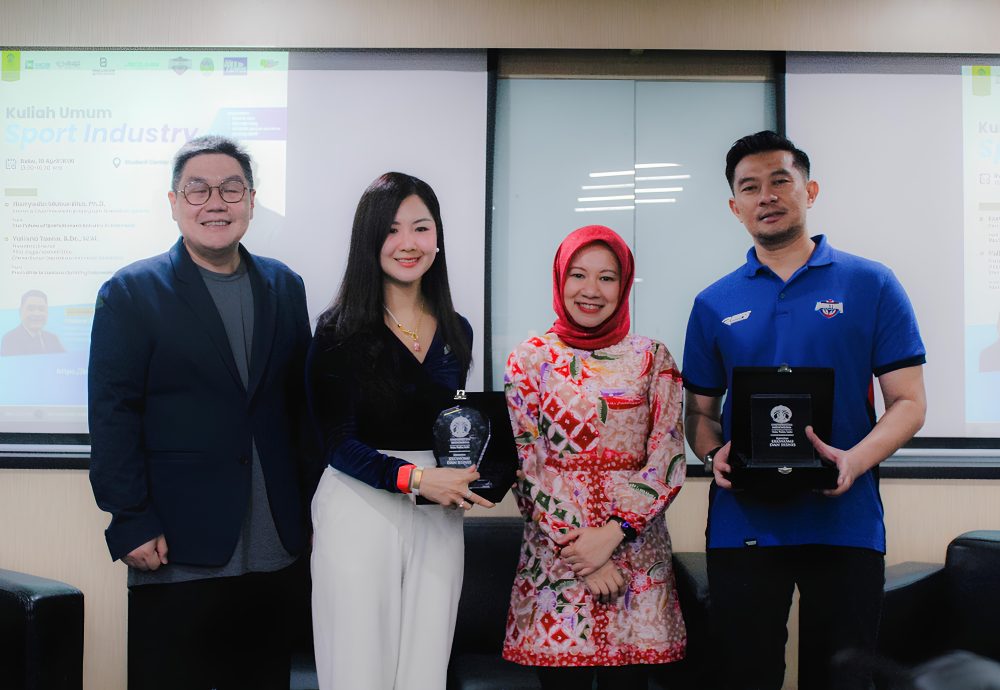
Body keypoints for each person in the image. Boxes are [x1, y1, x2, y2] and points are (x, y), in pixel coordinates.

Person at [682, 131, 927, 690]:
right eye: (750, 187)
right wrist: (711, 452)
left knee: (842, 678)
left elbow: (909, 403)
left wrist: (854, 460)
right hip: (743, 525)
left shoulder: (872, 284)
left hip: (845, 523)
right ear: (734, 206)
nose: (765, 196)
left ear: (809, 190)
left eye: (779, 181)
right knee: (745, 677)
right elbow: (699, 413)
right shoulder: (714, 302)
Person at [88, 135, 313, 690]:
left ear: (252, 201)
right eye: (199, 189)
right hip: (175, 547)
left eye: (232, 188)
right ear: (173, 201)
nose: (217, 202)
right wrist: (130, 519)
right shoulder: (131, 292)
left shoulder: (285, 286)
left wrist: (311, 514)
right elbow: (113, 414)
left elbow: (301, 408)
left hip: (273, 548)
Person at [306, 172, 493, 690]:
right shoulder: (337, 328)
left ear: (438, 237)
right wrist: (415, 478)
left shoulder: (458, 327)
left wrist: (485, 471)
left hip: (439, 510)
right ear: (369, 239)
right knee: (359, 666)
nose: (408, 243)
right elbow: (337, 443)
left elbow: (452, 425)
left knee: (425, 667)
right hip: (359, 504)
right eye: (391, 230)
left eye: (421, 227)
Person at [502, 225, 687, 690]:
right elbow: (526, 464)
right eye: (578, 275)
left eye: (607, 278)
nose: (591, 291)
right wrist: (582, 551)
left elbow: (666, 455)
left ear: (624, 286)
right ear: (560, 279)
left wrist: (615, 532)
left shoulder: (652, 358)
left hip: (636, 555)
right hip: (558, 562)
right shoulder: (530, 359)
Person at [1, 289, 66, 356]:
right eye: (31, 309)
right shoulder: (10, 339)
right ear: (20, 311)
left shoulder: (52, 339)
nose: (36, 314)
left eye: (41, 309)